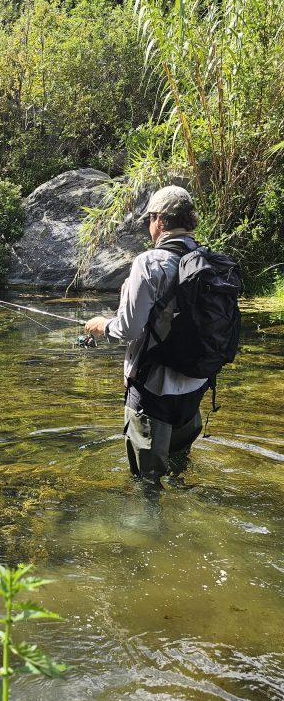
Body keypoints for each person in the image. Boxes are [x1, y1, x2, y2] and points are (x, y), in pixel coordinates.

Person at [84, 185, 208, 484]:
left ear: (160, 221)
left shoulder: (149, 263)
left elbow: (129, 328)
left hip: (154, 389)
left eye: (149, 220)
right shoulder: (209, 260)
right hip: (195, 384)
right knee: (179, 469)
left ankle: (149, 527)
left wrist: (102, 325)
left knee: (147, 483)